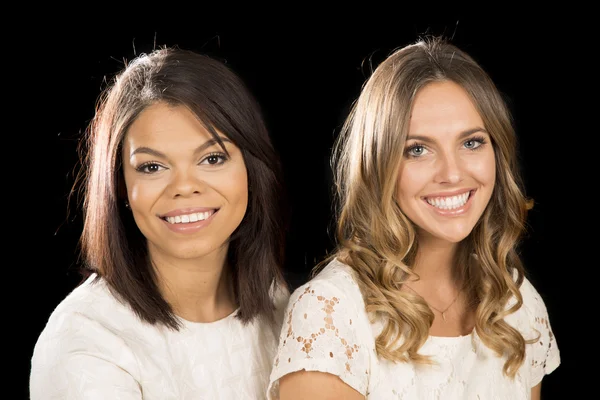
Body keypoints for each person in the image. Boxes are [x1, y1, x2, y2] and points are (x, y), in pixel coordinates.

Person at [267, 36, 560, 399]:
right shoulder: (329, 315)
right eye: (417, 150)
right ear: (378, 164)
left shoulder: (515, 300)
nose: (452, 174)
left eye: (471, 142)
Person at [30, 46, 290, 399]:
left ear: (251, 170)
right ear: (121, 184)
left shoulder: (279, 305)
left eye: (212, 158)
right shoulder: (88, 340)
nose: (184, 187)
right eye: (152, 167)